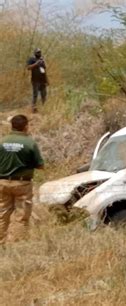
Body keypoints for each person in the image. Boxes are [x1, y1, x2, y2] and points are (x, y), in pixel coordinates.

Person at [0, 115, 44, 245]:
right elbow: (40, 165)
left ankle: (1, 244)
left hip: (2, 183)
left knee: (2, 214)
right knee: (22, 216)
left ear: (12, 126)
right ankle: (17, 244)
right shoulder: (29, 143)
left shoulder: (2, 141)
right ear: (25, 126)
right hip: (22, 184)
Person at [26, 48, 48, 113]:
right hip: (35, 80)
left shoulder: (41, 60)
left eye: (40, 52)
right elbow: (28, 67)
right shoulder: (31, 59)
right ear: (35, 53)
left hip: (43, 80)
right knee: (35, 95)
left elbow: (44, 70)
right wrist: (36, 64)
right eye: (38, 52)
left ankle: (44, 108)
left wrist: (47, 80)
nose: (39, 53)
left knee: (44, 95)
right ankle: (33, 109)